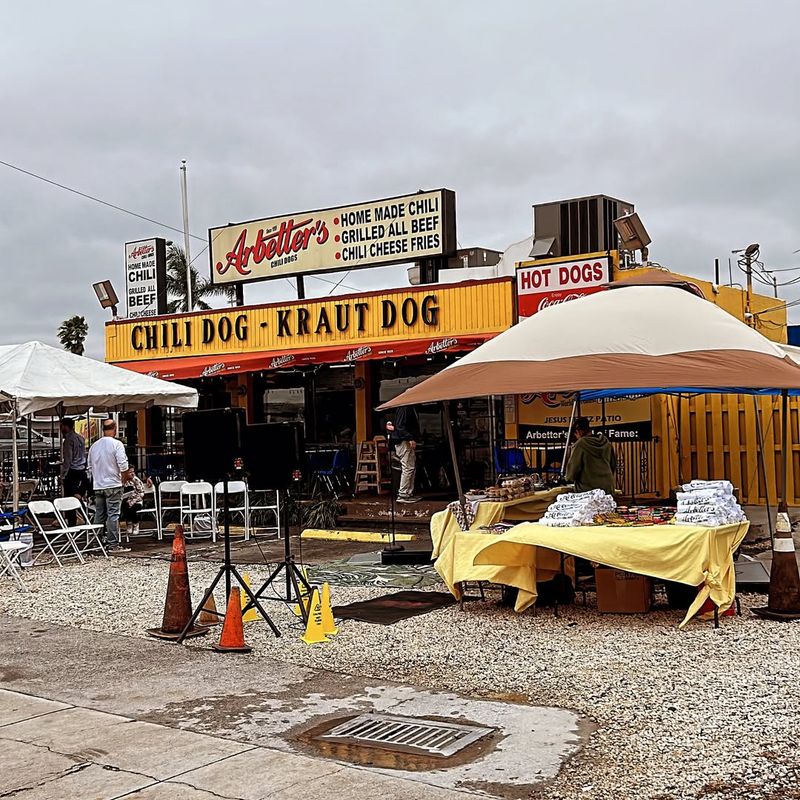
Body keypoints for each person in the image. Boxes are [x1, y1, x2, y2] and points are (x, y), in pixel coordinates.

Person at [87, 419, 132, 553]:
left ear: (102, 429)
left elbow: (89, 468)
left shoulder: (94, 446)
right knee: (113, 514)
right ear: (115, 428)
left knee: (99, 513)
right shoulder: (117, 444)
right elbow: (123, 465)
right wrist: (123, 480)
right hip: (113, 483)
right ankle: (113, 544)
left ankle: (96, 541)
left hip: (98, 484)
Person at [565, 417, 617, 495]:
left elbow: (572, 472)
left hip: (588, 490)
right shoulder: (606, 442)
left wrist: (567, 478)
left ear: (578, 432)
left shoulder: (580, 444)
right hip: (608, 487)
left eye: (575, 435)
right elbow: (613, 464)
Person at [60, 417, 87, 526]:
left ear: (66, 426)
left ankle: (72, 522)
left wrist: (63, 475)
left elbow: (68, 459)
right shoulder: (81, 438)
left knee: (70, 498)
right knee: (77, 496)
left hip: (72, 471)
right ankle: (85, 514)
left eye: (62, 426)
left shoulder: (68, 440)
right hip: (81, 469)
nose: (61, 429)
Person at [390, 405, 420, 503]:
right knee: (408, 467)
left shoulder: (406, 408)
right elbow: (400, 427)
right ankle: (403, 494)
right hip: (404, 441)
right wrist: (410, 438)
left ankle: (408, 493)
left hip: (404, 440)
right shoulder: (405, 408)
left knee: (410, 467)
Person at [121, 467, 151, 538]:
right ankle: (128, 523)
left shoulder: (136, 480)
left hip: (137, 501)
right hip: (126, 500)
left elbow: (141, 493)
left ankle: (135, 523)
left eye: (133, 472)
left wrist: (133, 501)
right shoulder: (123, 481)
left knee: (132, 508)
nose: (132, 473)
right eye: (130, 472)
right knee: (125, 507)